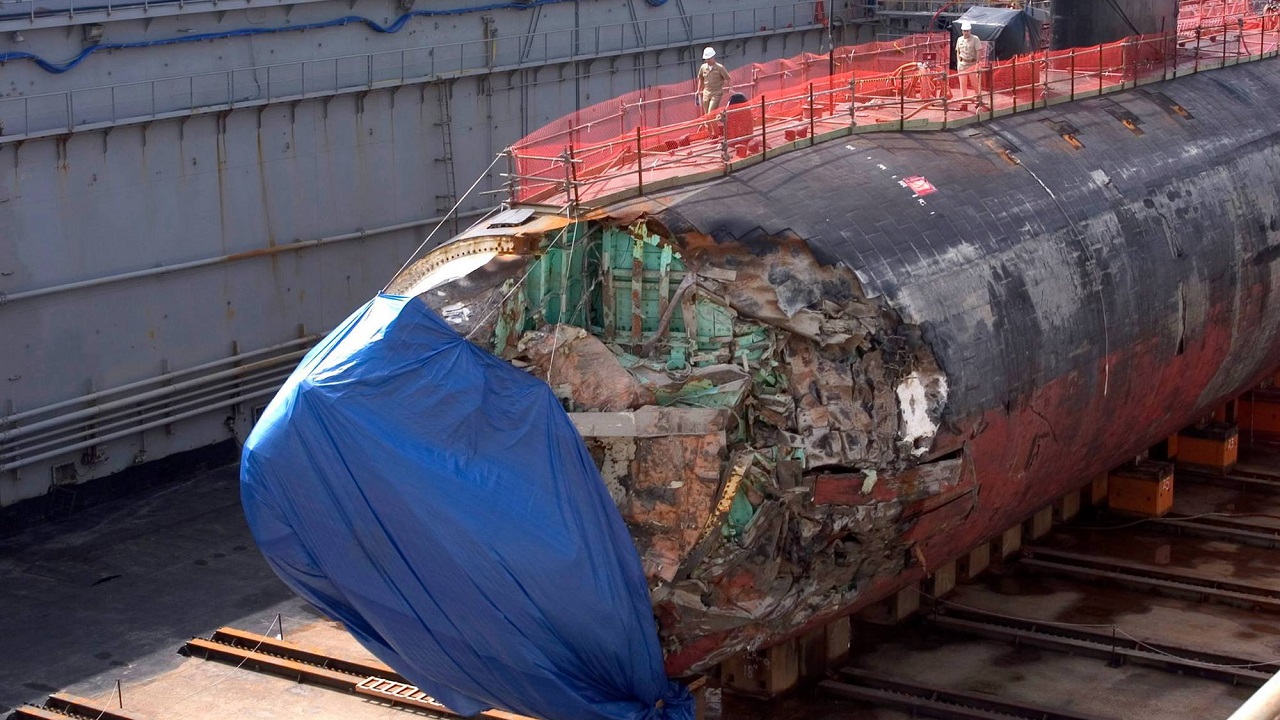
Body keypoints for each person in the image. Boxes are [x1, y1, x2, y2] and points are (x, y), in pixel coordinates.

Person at [955, 21, 986, 108]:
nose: (966, 32)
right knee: (962, 84)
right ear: (962, 31)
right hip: (962, 64)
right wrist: (958, 62)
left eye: (967, 31)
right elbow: (958, 51)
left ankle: (978, 100)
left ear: (970, 30)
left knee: (975, 83)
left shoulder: (975, 39)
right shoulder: (959, 39)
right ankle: (964, 103)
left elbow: (978, 51)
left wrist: (977, 63)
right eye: (964, 31)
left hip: (971, 64)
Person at [696, 47, 733, 115]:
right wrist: (698, 90)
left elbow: (728, 78)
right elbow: (701, 78)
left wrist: (731, 88)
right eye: (706, 59)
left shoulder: (720, 68)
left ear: (713, 57)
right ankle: (712, 125)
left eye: (709, 59)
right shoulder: (703, 67)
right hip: (706, 92)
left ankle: (712, 124)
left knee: (711, 113)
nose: (707, 60)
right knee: (707, 114)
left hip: (716, 92)